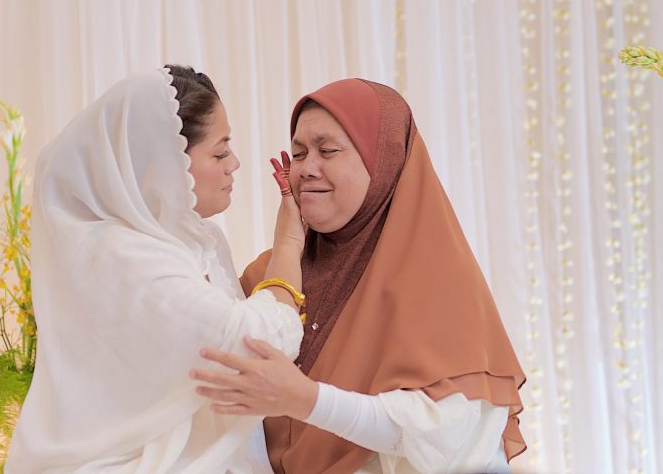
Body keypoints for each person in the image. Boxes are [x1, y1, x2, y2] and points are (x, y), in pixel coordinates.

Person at [193, 78, 526, 474]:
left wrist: (309, 400)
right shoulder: (269, 276)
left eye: (328, 151)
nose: (307, 169)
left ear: (383, 161)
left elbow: (446, 436)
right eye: (298, 154)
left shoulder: (435, 277)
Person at [6, 65, 306, 473]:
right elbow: (255, 347)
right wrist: (288, 242)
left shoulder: (199, 239)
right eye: (219, 152)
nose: (234, 163)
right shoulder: (117, 255)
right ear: (161, 164)